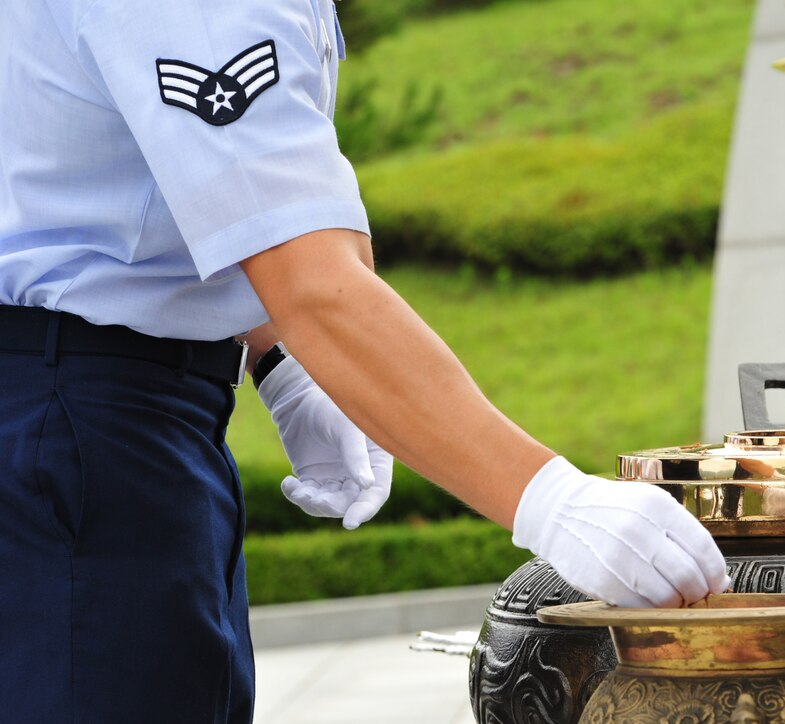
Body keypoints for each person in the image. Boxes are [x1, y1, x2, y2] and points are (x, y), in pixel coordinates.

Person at [0, 1, 730, 721]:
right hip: (80, 433)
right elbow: (315, 285)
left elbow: (172, 186)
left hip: (90, 410)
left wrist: (278, 359)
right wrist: (548, 499)